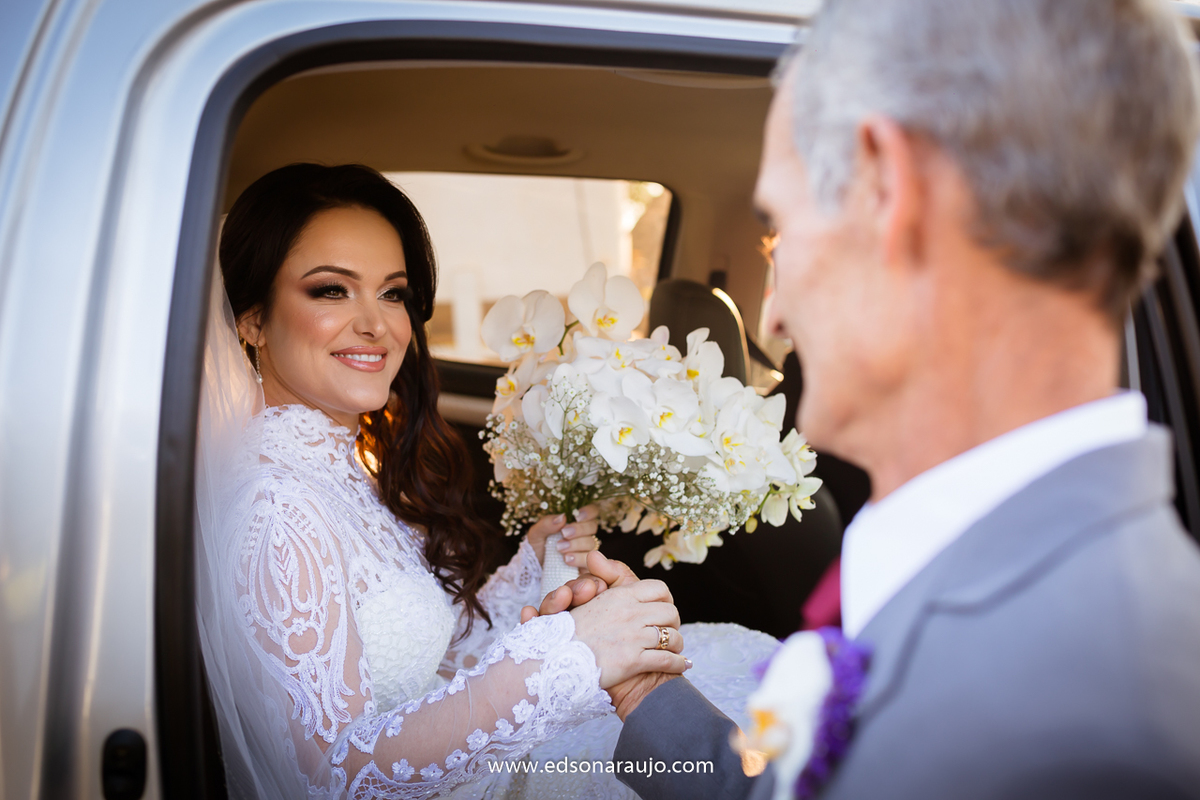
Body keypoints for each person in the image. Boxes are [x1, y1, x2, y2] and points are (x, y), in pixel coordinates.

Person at [528, 1, 1200, 798]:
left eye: (782, 229)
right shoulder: (1000, 580)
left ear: (891, 189)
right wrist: (642, 689)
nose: (772, 315)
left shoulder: (1068, 727)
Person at [193, 163, 779, 800]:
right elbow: (339, 778)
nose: (378, 324)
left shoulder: (340, 466)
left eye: (392, 293)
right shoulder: (276, 506)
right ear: (250, 319)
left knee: (746, 680)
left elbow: (422, 672)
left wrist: (536, 561)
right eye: (332, 290)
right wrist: (571, 654)